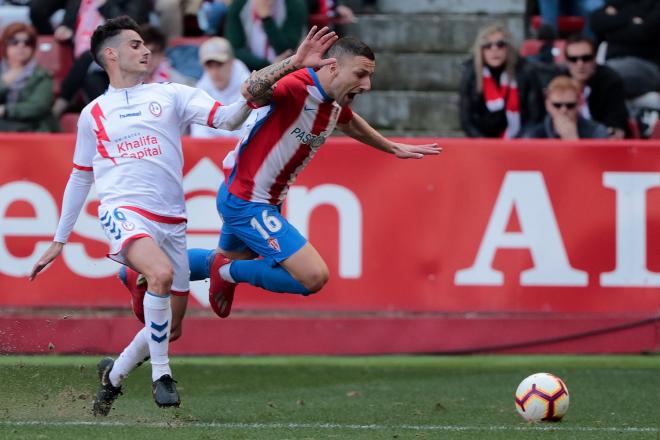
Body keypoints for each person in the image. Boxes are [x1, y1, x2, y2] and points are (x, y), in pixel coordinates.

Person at [26, 15, 275, 415]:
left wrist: (252, 92)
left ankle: (114, 376)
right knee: (157, 275)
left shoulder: (172, 93)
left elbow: (227, 119)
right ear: (111, 54)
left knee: (170, 328)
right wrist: (60, 239)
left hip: (172, 220)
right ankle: (161, 374)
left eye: (145, 45)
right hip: (123, 211)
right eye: (136, 45)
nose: (145, 51)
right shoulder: (93, 113)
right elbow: (80, 176)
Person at [121, 35, 441, 321]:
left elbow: (348, 121)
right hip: (247, 201)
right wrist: (293, 62)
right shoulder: (297, 85)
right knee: (312, 277)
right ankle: (225, 272)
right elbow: (250, 91)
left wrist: (389, 146)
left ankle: (139, 272)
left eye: (369, 76)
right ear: (331, 67)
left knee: (194, 297)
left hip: (257, 198)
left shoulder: (334, 100)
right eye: (360, 74)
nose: (367, 85)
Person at [50, 0, 152, 118]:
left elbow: (130, 28)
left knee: (88, 57)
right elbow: (69, 21)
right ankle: (112, 119)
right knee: (90, 79)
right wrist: (65, 27)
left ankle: (60, 105)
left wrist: (104, 4)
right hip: (93, 66)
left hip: (123, 53)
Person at [459, 24, 544, 138]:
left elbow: (535, 115)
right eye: (488, 45)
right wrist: (485, 145)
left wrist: (518, 143)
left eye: (500, 44)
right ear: (481, 50)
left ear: (508, 48)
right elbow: (467, 120)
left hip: (520, 143)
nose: (494, 49)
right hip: (482, 144)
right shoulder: (471, 74)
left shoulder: (526, 71)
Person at [589, 0, 660, 100]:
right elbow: (596, 21)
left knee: (606, 75)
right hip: (611, 62)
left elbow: (643, 32)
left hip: (647, 64)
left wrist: (611, 28)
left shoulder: (655, 4)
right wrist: (631, 20)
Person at [561, 33, 628, 139]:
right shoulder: (560, 82)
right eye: (573, 59)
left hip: (601, 145)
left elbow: (616, 129)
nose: (580, 64)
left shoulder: (610, 81)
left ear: (595, 59)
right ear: (567, 61)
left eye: (586, 58)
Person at [0, 22, 60, 132]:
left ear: (32, 48)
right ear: (5, 45)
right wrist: (4, 82)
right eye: (14, 41)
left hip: (34, 128)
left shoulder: (42, 75)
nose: (21, 46)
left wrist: (5, 110)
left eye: (27, 43)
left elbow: (38, 107)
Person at [191, 37, 252, 138]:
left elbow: (250, 131)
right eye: (209, 65)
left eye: (219, 64)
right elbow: (199, 133)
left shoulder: (249, 87)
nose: (215, 72)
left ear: (231, 62)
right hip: (211, 150)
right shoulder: (201, 89)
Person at [225, 0, 308, 71]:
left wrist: (266, 19)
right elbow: (234, 49)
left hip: (287, 70)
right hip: (250, 71)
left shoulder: (294, 4)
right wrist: (267, 66)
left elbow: (286, 50)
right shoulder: (239, 5)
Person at [522, 75, 609, 139]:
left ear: (579, 104)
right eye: (557, 105)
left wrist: (573, 140)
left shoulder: (596, 131)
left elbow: (599, 163)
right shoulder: (534, 135)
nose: (563, 110)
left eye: (570, 105)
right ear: (547, 104)